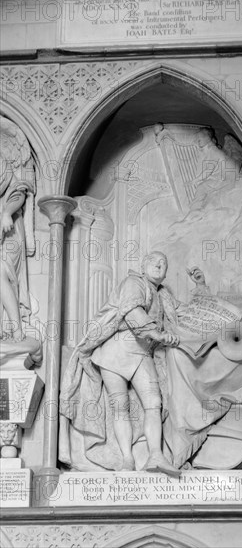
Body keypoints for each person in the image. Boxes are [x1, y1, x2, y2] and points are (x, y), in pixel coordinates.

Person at [59, 251, 181, 476]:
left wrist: (201, 288)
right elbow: (132, 312)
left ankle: (156, 455)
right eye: (154, 261)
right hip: (115, 350)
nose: (159, 264)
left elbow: (181, 316)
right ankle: (126, 459)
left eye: (163, 262)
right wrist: (157, 334)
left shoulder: (163, 295)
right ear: (143, 267)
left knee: (154, 402)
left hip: (142, 352)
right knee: (119, 406)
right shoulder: (134, 282)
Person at [0, 116, 35, 341]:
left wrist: (6, 213)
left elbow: (19, 191)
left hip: (9, 229)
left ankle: (16, 328)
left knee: (0, 274)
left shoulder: (4, 166)